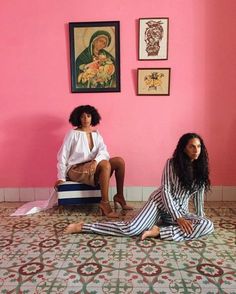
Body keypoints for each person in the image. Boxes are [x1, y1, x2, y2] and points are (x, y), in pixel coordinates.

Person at [65, 133, 214, 242]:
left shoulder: (201, 169)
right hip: (159, 204)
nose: (196, 150)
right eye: (192, 146)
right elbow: (166, 192)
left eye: (199, 146)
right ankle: (83, 227)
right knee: (132, 229)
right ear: (184, 149)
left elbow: (198, 197)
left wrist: (199, 216)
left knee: (207, 225)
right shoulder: (172, 164)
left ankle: (159, 232)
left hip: (179, 211)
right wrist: (179, 218)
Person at [55, 105, 132, 218]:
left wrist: (95, 161)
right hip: (75, 169)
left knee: (119, 161)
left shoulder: (96, 134)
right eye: (82, 117)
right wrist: (61, 177)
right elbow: (63, 155)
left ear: (92, 117)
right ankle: (105, 204)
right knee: (105, 164)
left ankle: (119, 196)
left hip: (92, 166)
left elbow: (104, 152)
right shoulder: (72, 134)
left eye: (88, 116)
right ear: (78, 118)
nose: (86, 119)